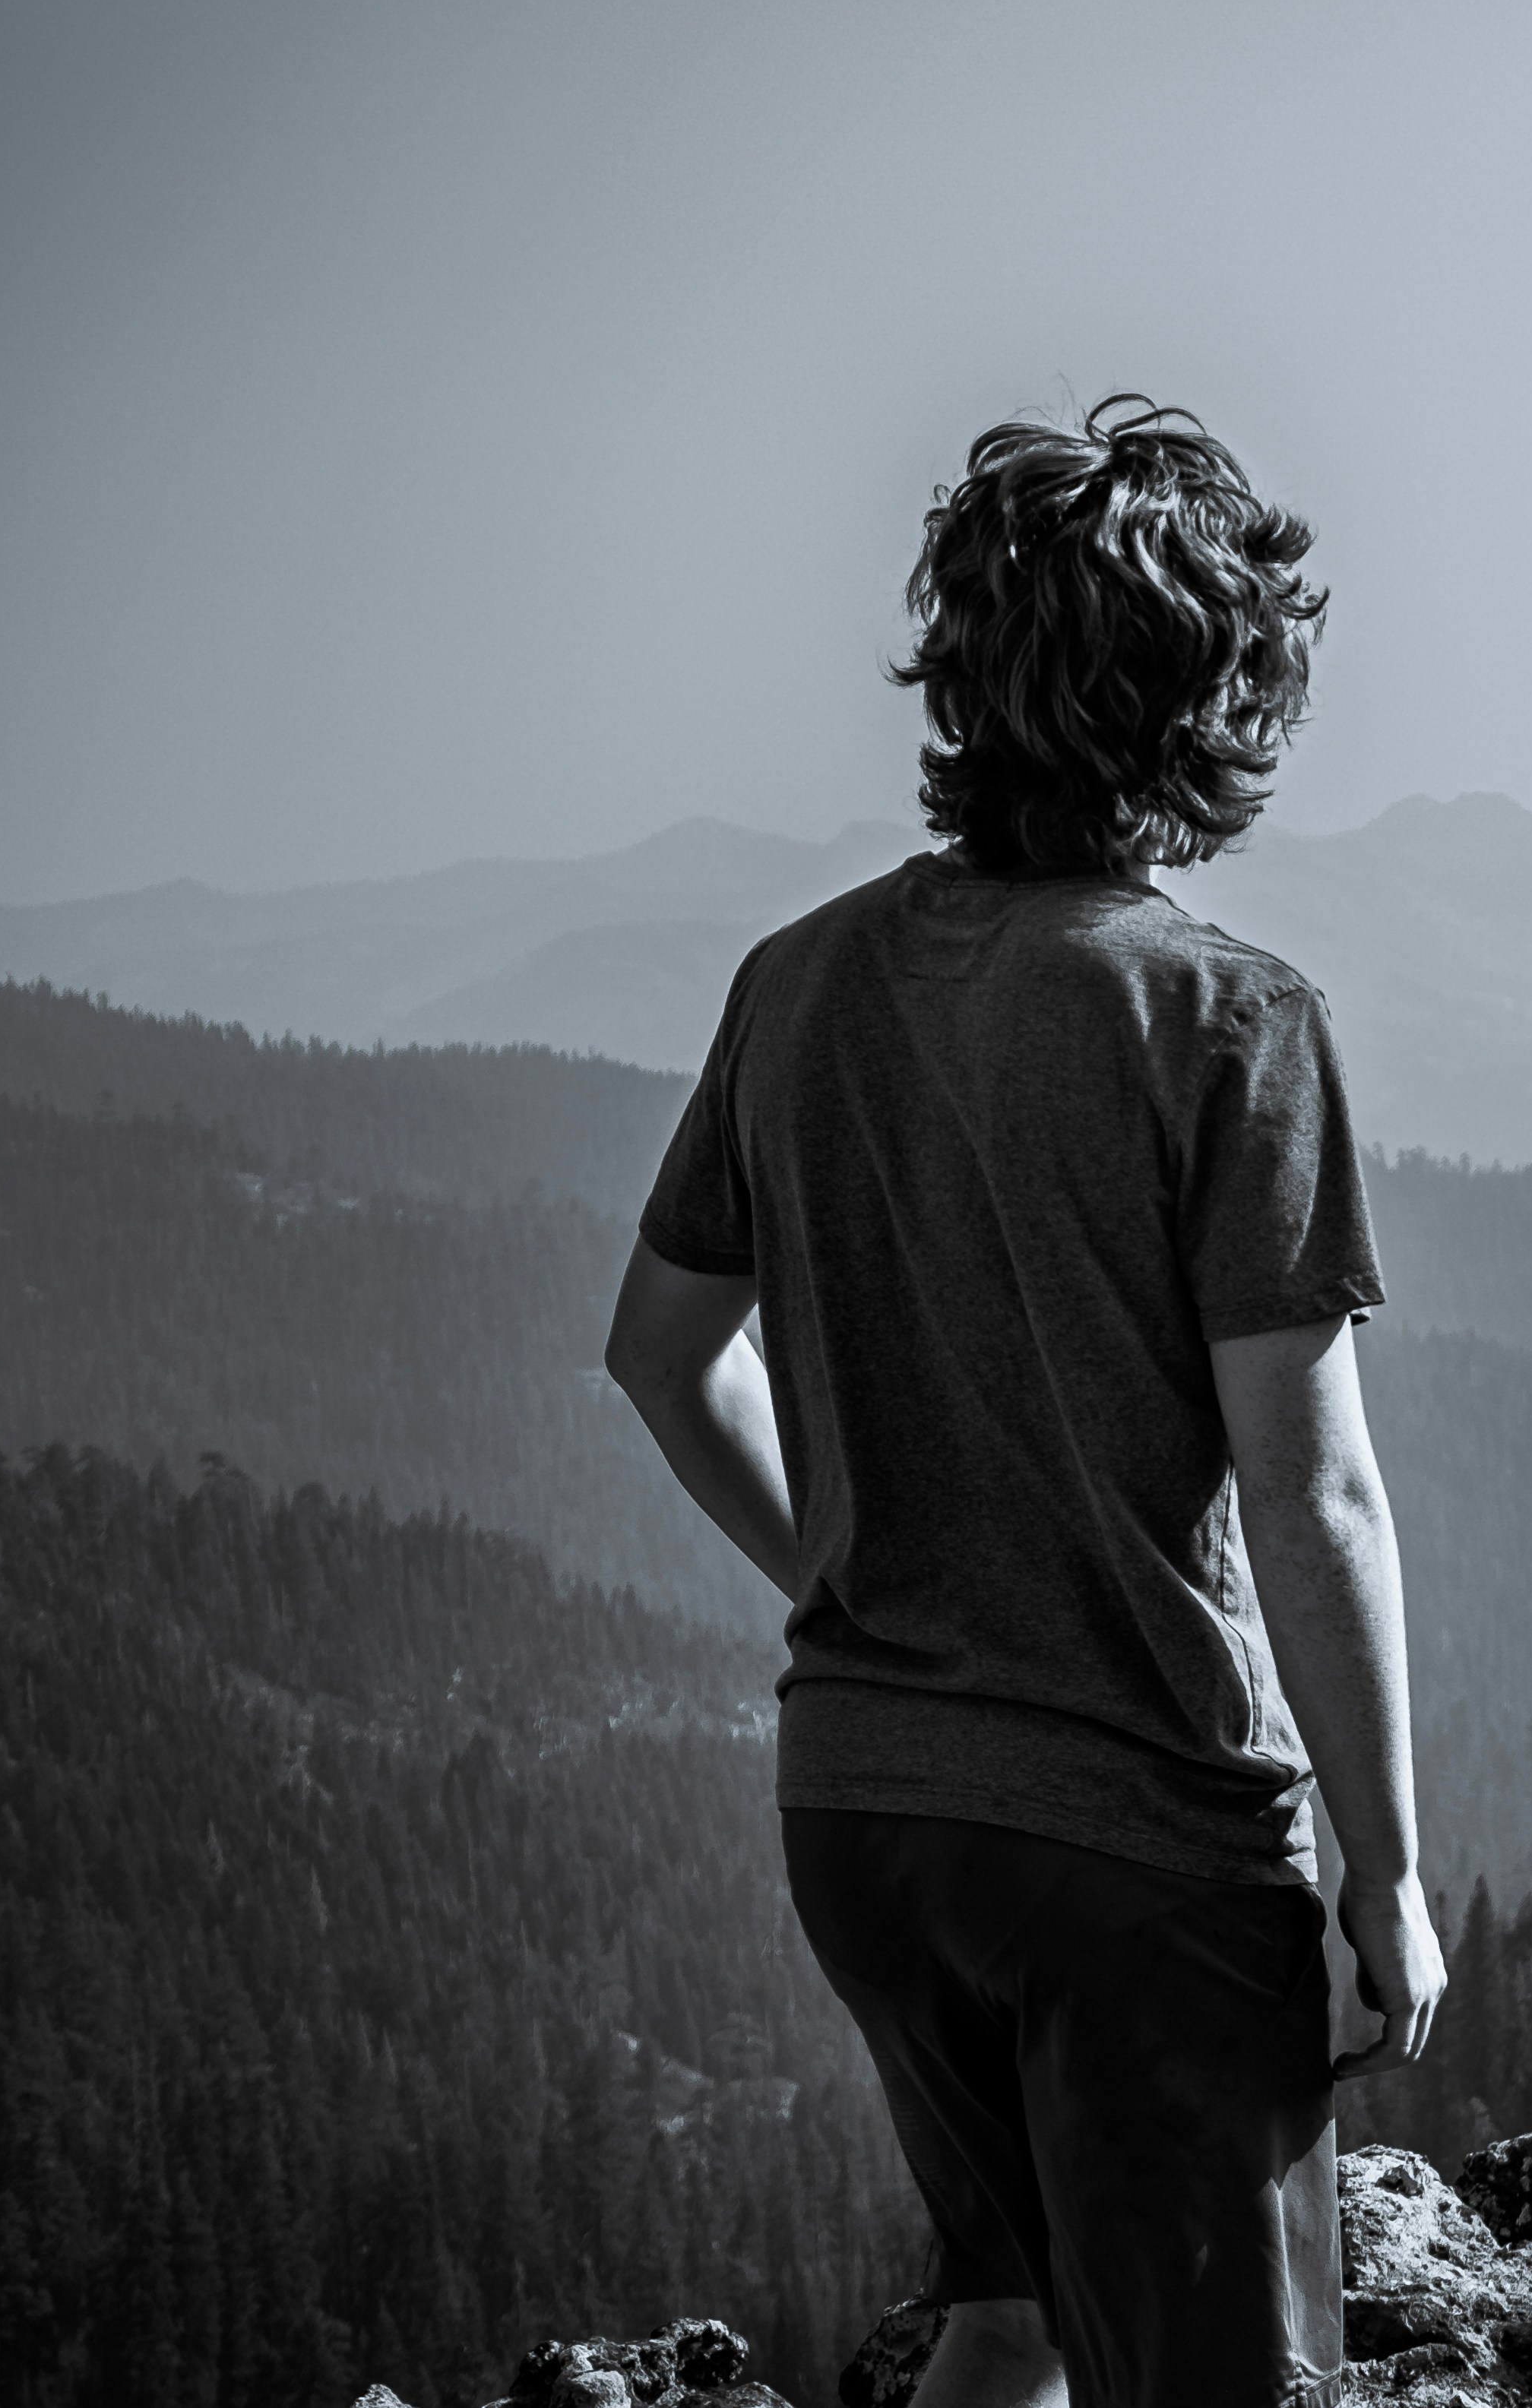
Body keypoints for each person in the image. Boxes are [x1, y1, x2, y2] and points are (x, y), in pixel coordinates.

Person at [603, 397, 1442, 2408]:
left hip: (865, 1813)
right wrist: (1388, 1870)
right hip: (1133, 1844)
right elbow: (1312, 1492)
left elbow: (660, 1351)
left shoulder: (797, 981)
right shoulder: (1227, 1018)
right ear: (1218, 697)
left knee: (1010, 2323)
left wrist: (850, 1570)